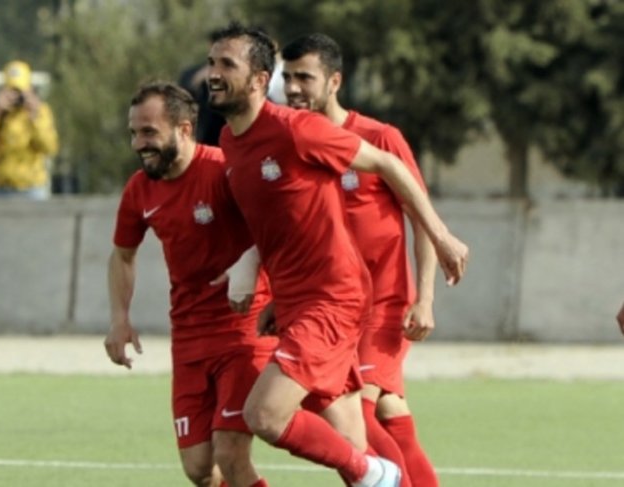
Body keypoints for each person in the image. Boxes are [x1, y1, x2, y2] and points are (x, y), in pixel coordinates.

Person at [206, 22, 469, 487]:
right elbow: (286, 224)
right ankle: (378, 474)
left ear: (259, 79)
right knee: (359, 429)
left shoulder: (299, 130)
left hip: (339, 301)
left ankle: (374, 473)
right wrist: (269, 284)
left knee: (264, 415)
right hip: (303, 302)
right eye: (211, 63)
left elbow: (388, 165)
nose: (213, 73)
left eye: (226, 64)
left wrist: (441, 239)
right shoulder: (231, 142)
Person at [281, 33, 439, 487]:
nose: (293, 88)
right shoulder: (296, 145)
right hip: (330, 309)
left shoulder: (378, 138)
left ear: (335, 81)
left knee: (357, 417)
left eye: (304, 77)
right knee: (387, 413)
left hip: (383, 306)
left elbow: (422, 217)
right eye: (287, 78)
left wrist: (424, 298)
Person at [104, 81, 276, 487]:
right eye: (134, 133)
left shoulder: (224, 171)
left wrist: (258, 275)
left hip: (244, 331)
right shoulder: (139, 190)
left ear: (184, 129)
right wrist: (119, 318)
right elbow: (122, 255)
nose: (138, 143)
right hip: (188, 338)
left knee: (230, 453)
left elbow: (278, 229)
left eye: (149, 132)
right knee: (199, 468)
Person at [0, 60, 58, 199]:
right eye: (11, 91)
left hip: (31, 188)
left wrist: (35, 117)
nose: (16, 97)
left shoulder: (40, 111)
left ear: (29, 89)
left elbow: (49, 147)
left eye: (20, 92)